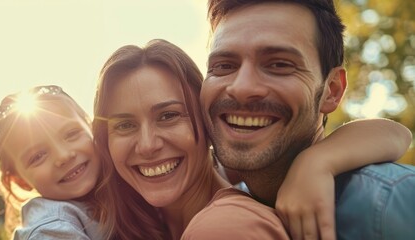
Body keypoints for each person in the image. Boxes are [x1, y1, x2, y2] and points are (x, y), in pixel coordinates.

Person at [92, 39, 412, 239]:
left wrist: (315, 162)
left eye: (169, 116)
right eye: (124, 125)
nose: (147, 144)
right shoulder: (119, 218)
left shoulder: (225, 227)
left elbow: (397, 133)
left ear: (207, 121)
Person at [191, 0, 415, 239]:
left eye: (279, 64)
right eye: (224, 66)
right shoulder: (221, 202)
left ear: (332, 90)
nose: (242, 87)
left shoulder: (388, 203)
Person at [0, 85, 111, 239]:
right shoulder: (51, 229)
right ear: (20, 181)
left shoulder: (116, 191)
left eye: (71, 134)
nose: (63, 156)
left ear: (91, 127)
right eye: (38, 156)